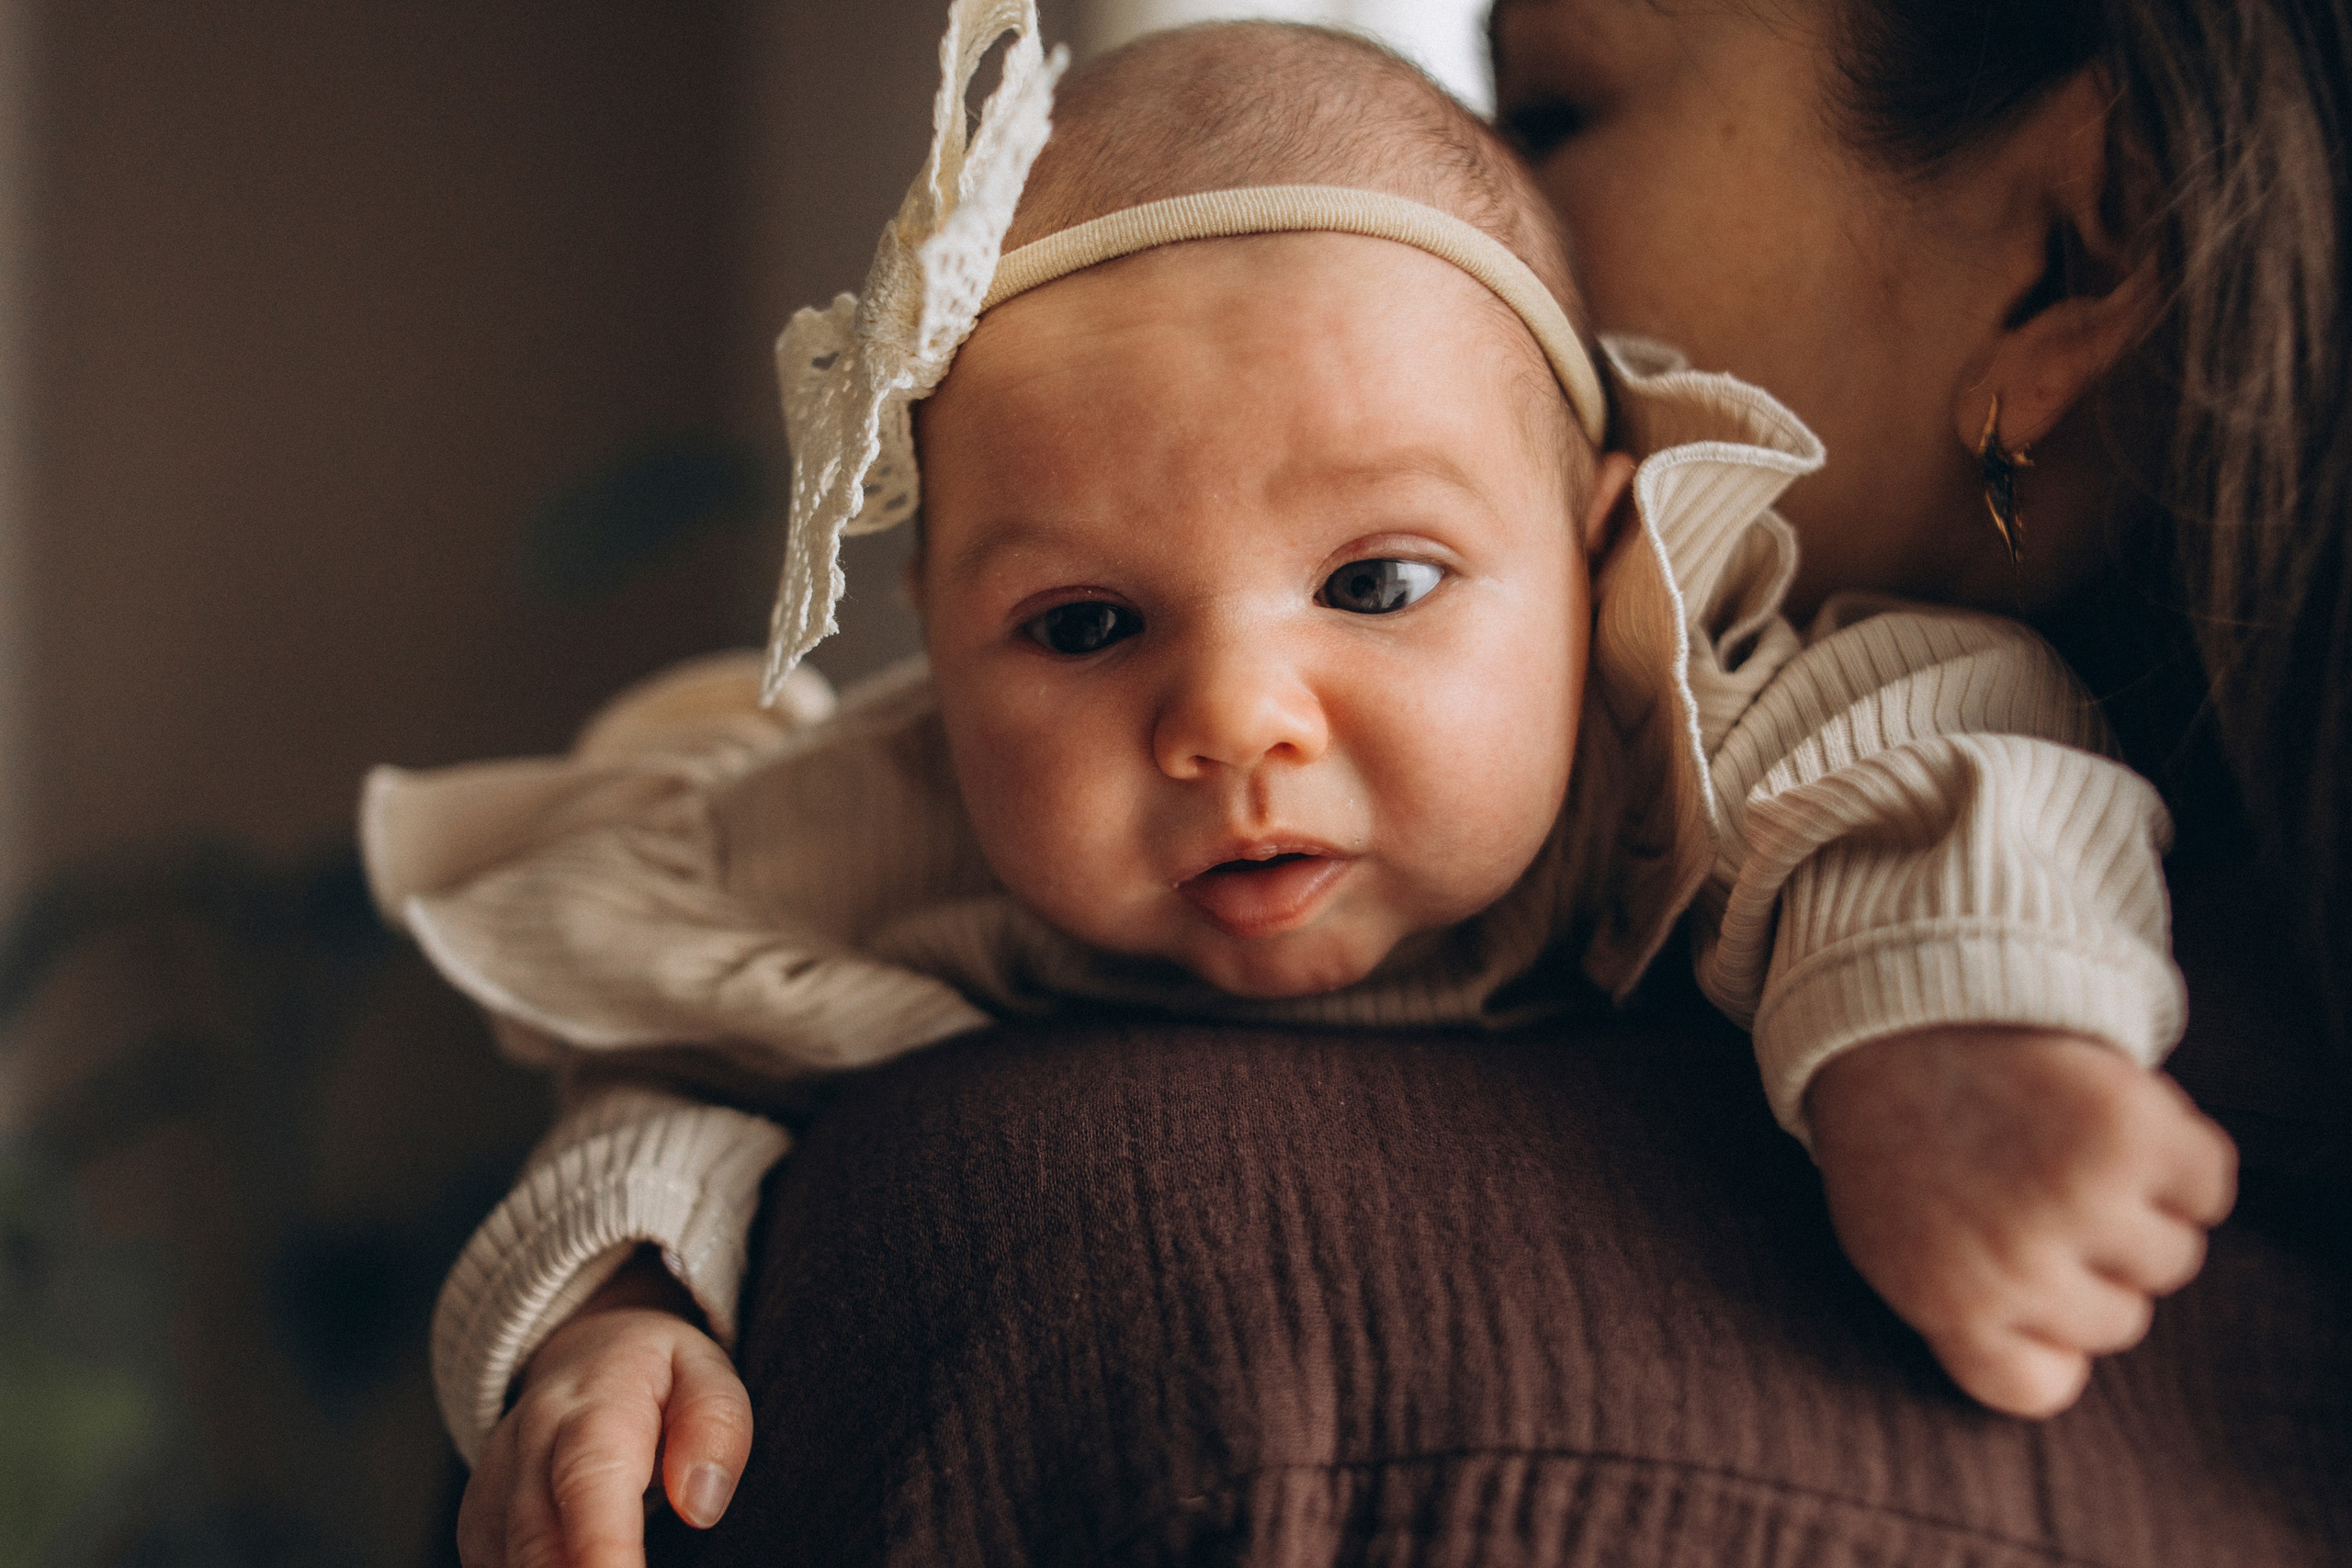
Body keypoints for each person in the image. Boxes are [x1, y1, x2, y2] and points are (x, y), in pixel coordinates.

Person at [364, 6, 2248, 1565]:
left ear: (1591, 552)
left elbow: (1902, 747)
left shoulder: (1645, 704)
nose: (1234, 720)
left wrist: (1947, 1031)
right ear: (933, 664)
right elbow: (680, 1057)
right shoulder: (915, 832)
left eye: (1374, 583)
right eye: (1084, 620)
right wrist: (621, 1306)